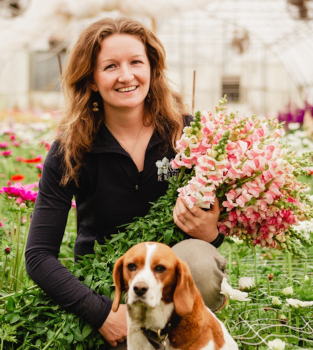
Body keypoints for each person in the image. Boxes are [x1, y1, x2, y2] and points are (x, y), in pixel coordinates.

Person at [25, 17, 227, 349]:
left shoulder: (188, 135)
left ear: (152, 69)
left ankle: (187, 335)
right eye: (110, 66)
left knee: (201, 265)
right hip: (109, 285)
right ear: (91, 79)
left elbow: (218, 221)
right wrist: (101, 312)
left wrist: (212, 233)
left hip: (171, 282)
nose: (126, 75)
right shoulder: (70, 150)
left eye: (136, 62)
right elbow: (38, 255)